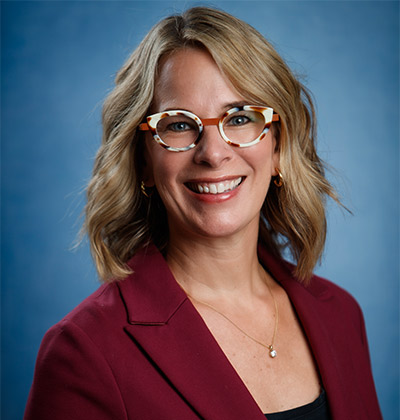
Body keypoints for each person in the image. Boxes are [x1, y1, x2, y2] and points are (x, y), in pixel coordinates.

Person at [24, 7, 382, 420]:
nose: (213, 153)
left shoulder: (340, 314)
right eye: (178, 125)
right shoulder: (84, 352)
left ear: (279, 146)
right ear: (143, 160)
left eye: (241, 118)